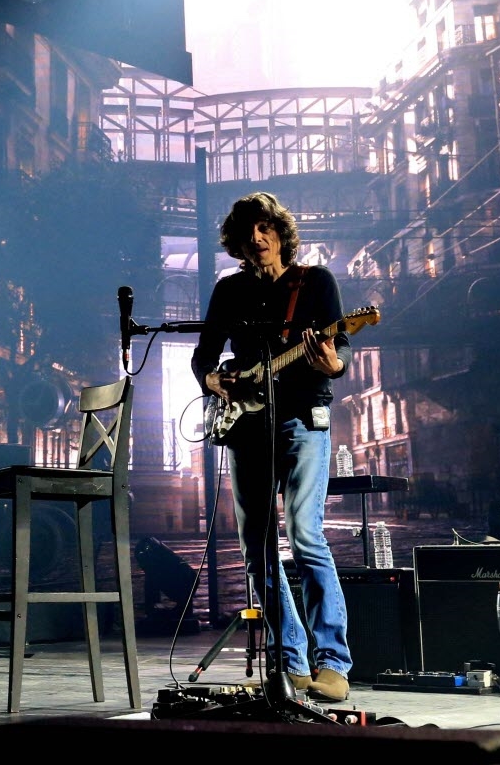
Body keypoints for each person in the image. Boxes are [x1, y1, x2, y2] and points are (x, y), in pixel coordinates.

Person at [191, 191, 354, 703]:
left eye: (265, 228)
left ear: (281, 233)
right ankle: (291, 660)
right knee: (256, 545)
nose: (257, 238)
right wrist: (214, 380)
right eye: (247, 233)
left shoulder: (316, 282)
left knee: (305, 535)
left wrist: (332, 363)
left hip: (303, 417)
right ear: (236, 243)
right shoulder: (229, 290)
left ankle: (333, 663)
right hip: (245, 424)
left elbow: (339, 350)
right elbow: (203, 356)